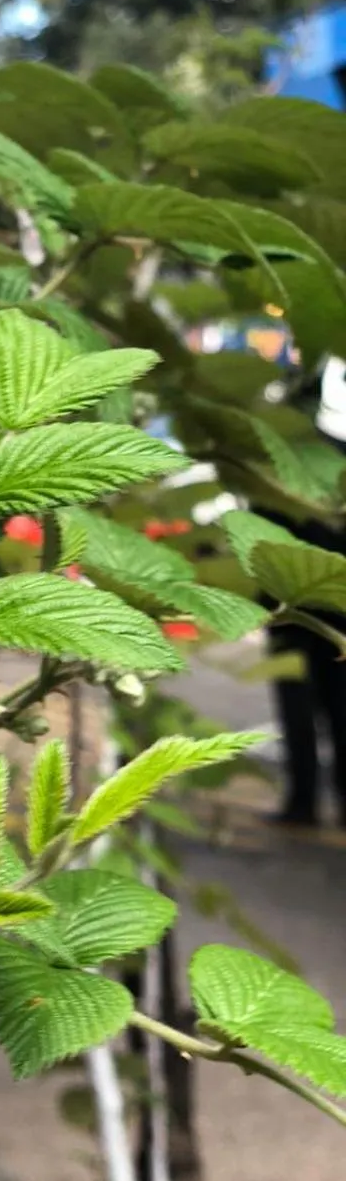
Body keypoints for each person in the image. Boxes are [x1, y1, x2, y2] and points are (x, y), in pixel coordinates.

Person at [264, 355, 346, 829]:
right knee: (339, 704)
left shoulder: (276, 463)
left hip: (288, 603)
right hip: (333, 602)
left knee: (296, 704)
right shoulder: (336, 455)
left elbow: (262, 535)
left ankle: (303, 802)